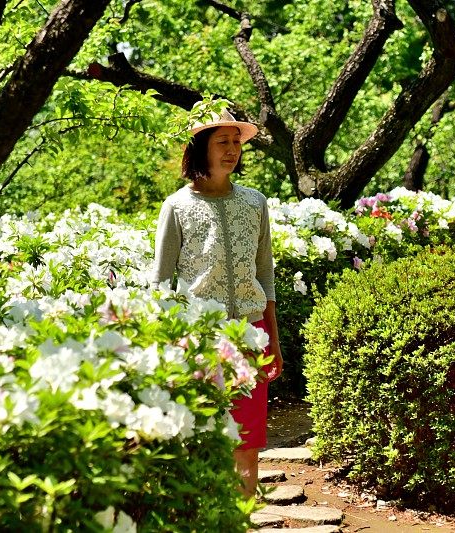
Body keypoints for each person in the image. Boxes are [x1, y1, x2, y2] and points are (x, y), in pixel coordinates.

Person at [151, 102, 284, 498]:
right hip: (199, 336)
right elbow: (160, 281)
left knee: (247, 439)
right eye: (221, 141)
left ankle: (241, 518)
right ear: (201, 148)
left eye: (236, 142)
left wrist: (273, 339)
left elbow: (266, 275)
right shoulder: (177, 206)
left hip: (250, 334)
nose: (232, 149)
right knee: (203, 434)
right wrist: (166, 344)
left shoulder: (255, 202)